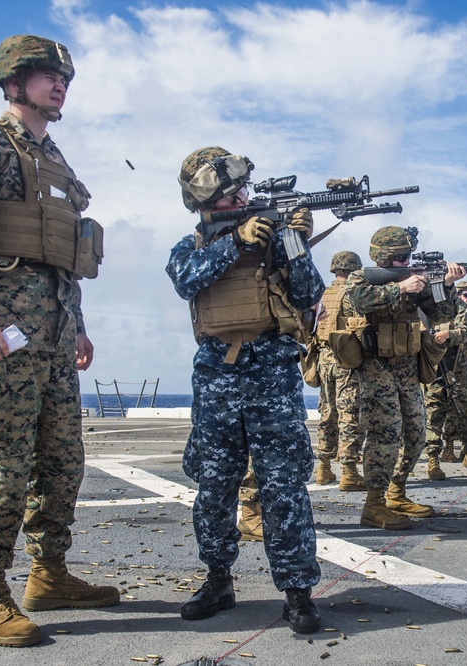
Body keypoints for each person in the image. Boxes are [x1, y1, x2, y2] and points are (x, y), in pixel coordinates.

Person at [0, 34, 118, 648]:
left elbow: (63, 259)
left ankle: (50, 572)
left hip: (56, 345)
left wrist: (79, 328)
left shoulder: (58, 164)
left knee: (63, 467)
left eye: (63, 78)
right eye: (45, 76)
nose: (58, 85)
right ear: (14, 81)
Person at [166, 146, 323, 634]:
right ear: (207, 202)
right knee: (214, 485)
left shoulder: (277, 241)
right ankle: (217, 580)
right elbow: (185, 280)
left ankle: (297, 591)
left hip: (272, 373)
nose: (247, 201)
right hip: (216, 377)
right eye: (236, 196)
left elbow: (307, 294)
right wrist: (233, 243)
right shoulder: (190, 245)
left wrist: (294, 240)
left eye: (246, 193)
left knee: (283, 485)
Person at [342, 226, 464, 529]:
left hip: (407, 368)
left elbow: (439, 316)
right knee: (384, 435)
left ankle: (397, 493)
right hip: (375, 368)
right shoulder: (361, 277)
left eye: (408, 257)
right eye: (401, 258)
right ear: (384, 257)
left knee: (416, 433)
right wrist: (401, 287)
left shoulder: (412, 281)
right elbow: (357, 301)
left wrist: (445, 285)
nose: (406, 262)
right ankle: (374, 505)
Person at [422, 281, 467, 478]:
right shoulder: (433, 308)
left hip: (466, 374)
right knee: (434, 414)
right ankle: (433, 459)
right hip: (437, 370)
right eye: (465, 295)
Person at [314, 251, 367, 492]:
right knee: (350, 414)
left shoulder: (323, 293)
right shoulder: (354, 295)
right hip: (347, 358)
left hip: (324, 358)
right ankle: (349, 472)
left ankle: (323, 468)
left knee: (328, 412)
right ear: (355, 268)